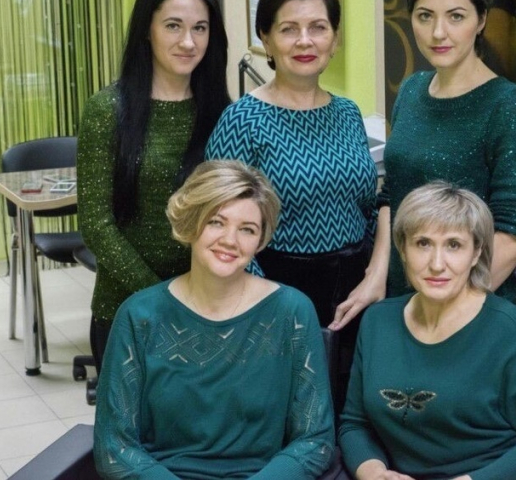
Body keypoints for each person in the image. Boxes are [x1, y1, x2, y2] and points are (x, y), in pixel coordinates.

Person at [94, 160, 335, 479]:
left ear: (260, 240)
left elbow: (315, 441)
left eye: (247, 229)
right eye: (216, 222)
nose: (230, 240)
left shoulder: (293, 312)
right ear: (191, 222)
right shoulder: (139, 316)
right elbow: (113, 447)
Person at [205, 0, 378, 397]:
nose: (305, 41)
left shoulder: (348, 113)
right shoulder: (242, 120)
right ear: (266, 39)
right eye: (288, 29)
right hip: (275, 296)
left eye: (318, 27)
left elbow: (368, 208)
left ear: (335, 38)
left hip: (356, 297)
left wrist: (373, 278)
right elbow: (216, 226)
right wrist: (270, 303)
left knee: (350, 412)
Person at [339, 182, 516, 479]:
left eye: (454, 245)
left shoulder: (511, 328)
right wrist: (374, 472)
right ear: (402, 249)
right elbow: (355, 424)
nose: (437, 264)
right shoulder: (378, 321)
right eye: (423, 243)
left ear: (476, 252)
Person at [367, 0, 516, 309]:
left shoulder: (507, 103)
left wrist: (451, 309)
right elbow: (392, 196)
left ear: (481, 20)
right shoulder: (412, 89)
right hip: (403, 295)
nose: (438, 33)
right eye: (425, 16)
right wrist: (376, 274)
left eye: (456, 16)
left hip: (471, 305)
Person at [78, 0, 230, 371]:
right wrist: (165, 298)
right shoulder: (107, 110)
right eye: (173, 26)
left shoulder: (223, 113)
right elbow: (95, 223)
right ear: (147, 29)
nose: (188, 42)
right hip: (127, 310)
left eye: (200, 28)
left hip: (209, 309)